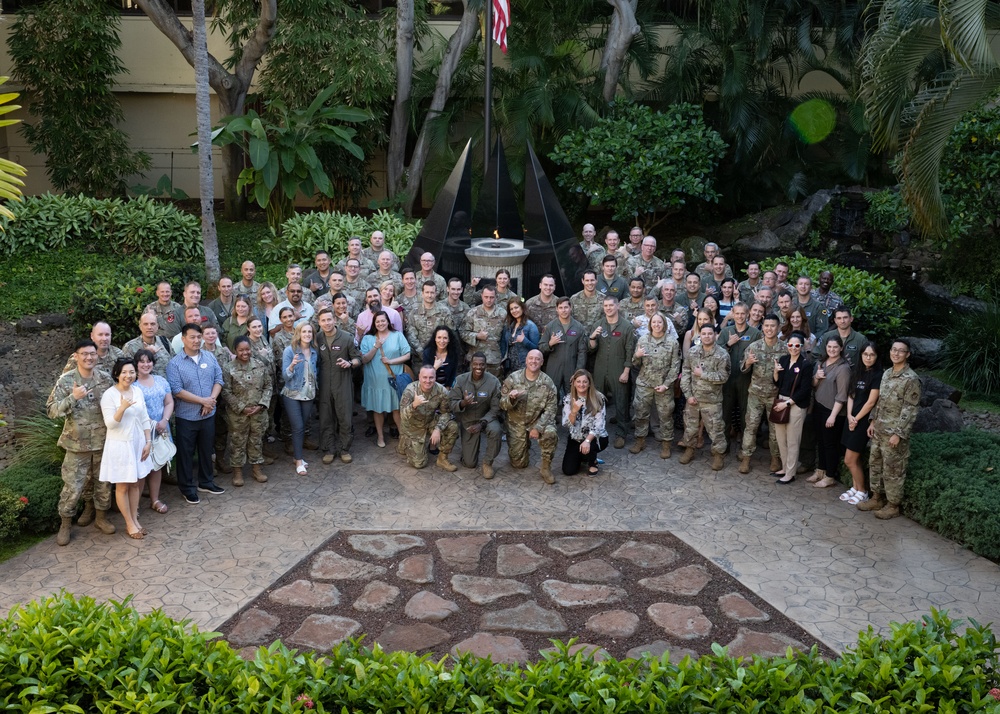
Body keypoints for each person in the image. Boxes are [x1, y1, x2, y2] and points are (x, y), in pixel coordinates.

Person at [47, 339, 117, 545]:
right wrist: (73, 398)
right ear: (76, 356)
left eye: (92, 354)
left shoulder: (105, 379)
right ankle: (66, 523)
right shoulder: (66, 381)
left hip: (103, 442)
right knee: (73, 486)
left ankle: (100, 518)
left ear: (97, 355)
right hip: (76, 445)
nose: (88, 357)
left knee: (103, 483)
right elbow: (51, 410)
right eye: (84, 354)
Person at [858, 339, 921, 519]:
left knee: (893, 470)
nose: (896, 353)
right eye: (894, 350)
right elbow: (879, 401)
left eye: (901, 351)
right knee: (875, 464)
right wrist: (872, 421)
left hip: (894, 434)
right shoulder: (886, 373)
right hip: (879, 430)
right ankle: (876, 497)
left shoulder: (911, 379)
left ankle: (893, 505)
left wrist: (898, 434)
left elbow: (910, 409)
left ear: (907, 354)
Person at [166, 323, 226, 504]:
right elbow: (177, 390)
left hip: (209, 414)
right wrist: (202, 401)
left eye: (198, 337)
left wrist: (211, 400)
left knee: (206, 450)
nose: (196, 340)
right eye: (192, 337)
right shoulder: (175, 363)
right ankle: (187, 488)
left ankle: (206, 482)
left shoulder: (209, 356)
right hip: (187, 416)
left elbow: (219, 379)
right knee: (186, 453)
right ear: (183, 339)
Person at [99, 357, 153, 539]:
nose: (128, 376)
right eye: (124, 372)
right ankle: (129, 523)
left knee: (136, 483)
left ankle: (136, 520)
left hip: (137, 442)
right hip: (120, 445)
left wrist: (148, 441)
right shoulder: (109, 395)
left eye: (131, 372)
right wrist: (122, 408)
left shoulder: (137, 391)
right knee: (122, 485)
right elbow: (110, 424)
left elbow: (144, 417)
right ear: (116, 374)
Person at [737, 314, 787, 474]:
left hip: (775, 396)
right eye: (766, 326)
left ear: (778, 327)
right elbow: (742, 368)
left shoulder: (785, 349)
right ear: (762, 327)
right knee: (750, 428)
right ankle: (746, 458)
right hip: (756, 395)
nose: (769, 329)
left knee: (775, 431)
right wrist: (748, 363)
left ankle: (775, 458)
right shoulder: (754, 347)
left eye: (773, 326)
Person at [501, 349, 559, 484]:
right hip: (517, 423)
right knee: (519, 463)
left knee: (550, 434)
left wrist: (538, 428)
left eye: (537, 359)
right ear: (526, 360)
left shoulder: (548, 383)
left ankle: (545, 467)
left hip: (537, 420)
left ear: (542, 362)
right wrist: (511, 399)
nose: (534, 361)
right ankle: (524, 443)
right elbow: (502, 404)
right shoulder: (513, 379)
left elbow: (551, 409)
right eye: (531, 358)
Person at [222, 336, 273, 486]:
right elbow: (225, 392)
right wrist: (241, 407)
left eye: (247, 349)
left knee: (256, 441)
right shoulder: (228, 368)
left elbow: (268, 386)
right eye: (241, 350)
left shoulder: (259, 364)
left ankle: (256, 468)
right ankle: (237, 472)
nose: (245, 352)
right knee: (237, 442)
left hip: (258, 413)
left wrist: (262, 404)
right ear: (235, 351)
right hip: (238, 415)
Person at [679, 324, 730, 469]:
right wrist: (688, 395)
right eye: (704, 333)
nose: (707, 336)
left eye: (710, 333)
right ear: (699, 335)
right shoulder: (692, 352)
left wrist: (703, 374)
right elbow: (686, 373)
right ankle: (690, 449)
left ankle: (718, 455)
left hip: (712, 400)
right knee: (690, 428)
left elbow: (724, 376)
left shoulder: (722, 354)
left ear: (715, 335)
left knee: (716, 430)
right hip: (693, 399)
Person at [588, 296, 636, 449]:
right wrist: (593, 337)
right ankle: (595, 431)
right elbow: (592, 348)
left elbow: (630, 351)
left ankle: (621, 433)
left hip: (619, 367)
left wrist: (626, 371)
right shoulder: (598, 325)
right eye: (605, 305)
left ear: (617, 306)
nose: (608, 308)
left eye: (611, 305)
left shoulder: (626, 326)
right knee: (597, 400)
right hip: (601, 367)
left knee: (621, 401)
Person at [631, 313, 681, 458]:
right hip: (644, 384)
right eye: (654, 322)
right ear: (650, 324)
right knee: (640, 413)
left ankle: (666, 445)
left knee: (665, 416)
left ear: (664, 325)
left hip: (663, 387)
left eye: (660, 322)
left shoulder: (672, 342)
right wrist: (637, 356)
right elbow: (635, 364)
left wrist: (666, 385)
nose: (657, 325)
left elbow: (675, 367)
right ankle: (640, 441)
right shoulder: (643, 340)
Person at [316, 308, 361, 465]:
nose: (327, 323)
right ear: (319, 322)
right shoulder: (317, 338)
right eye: (323, 320)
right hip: (324, 384)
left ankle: (344, 449)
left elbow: (358, 359)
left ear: (335, 320)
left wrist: (349, 363)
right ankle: (329, 449)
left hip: (342, 382)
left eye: (329, 319)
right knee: (326, 417)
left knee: (344, 416)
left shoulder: (347, 338)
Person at [360, 311, 410, 449]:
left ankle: (403, 436)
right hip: (375, 381)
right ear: (374, 324)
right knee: (378, 409)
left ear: (388, 321)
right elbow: (364, 359)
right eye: (378, 322)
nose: (381, 323)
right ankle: (380, 436)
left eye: (383, 321)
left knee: (396, 409)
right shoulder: (368, 338)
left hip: (393, 380)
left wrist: (391, 361)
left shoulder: (397, 335)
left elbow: (407, 355)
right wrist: (376, 347)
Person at [449, 353, 503, 479]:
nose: (478, 367)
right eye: (475, 364)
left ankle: (487, 463)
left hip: (487, 418)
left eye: (482, 364)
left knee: (496, 430)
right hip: (468, 419)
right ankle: (468, 451)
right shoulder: (460, 380)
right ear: (471, 365)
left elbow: (496, 408)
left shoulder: (494, 382)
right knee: (470, 463)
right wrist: (463, 403)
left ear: (486, 366)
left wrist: (482, 423)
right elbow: (451, 403)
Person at [841, 342, 882, 506]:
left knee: (849, 460)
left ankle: (863, 491)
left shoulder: (878, 375)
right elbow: (851, 395)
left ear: (877, 357)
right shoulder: (857, 371)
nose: (868, 357)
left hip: (863, 421)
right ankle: (855, 487)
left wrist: (856, 419)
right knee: (854, 458)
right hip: (851, 418)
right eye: (865, 354)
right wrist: (850, 415)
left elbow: (871, 402)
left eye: (872, 355)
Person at [134, 349, 173, 516]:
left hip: (161, 428)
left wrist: (164, 420)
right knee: (142, 468)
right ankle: (134, 505)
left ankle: (155, 499)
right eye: (142, 361)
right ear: (136, 364)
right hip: (142, 432)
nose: (145, 364)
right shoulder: (132, 386)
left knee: (157, 465)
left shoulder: (161, 381)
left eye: (148, 361)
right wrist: (149, 425)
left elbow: (169, 402)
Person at [809, 335, 851, 488]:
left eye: (835, 347)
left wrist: (833, 416)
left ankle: (830, 475)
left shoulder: (843, 368)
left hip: (833, 411)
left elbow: (842, 395)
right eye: (829, 347)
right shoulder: (821, 363)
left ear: (841, 348)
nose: (832, 350)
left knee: (830, 444)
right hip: (819, 407)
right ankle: (820, 470)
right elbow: (813, 385)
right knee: (820, 441)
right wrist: (816, 377)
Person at [770, 332, 813, 484]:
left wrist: (787, 403)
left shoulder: (805, 364)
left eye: (797, 346)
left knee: (793, 440)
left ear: (801, 347)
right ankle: (784, 467)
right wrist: (775, 372)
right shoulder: (783, 359)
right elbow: (778, 384)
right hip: (781, 400)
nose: (793, 348)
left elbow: (805, 390)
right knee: (781, 439)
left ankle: (790, 473)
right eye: (790, 345)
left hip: (794, 404)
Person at [399, 365, 460, 471]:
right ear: (419, 377)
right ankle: (405, 442)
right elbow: (403, 416)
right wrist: (414, 405)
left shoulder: (442, 391)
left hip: (430, 421)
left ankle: (442, 459)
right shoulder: (410, 390)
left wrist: (437, 429)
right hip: (413, 427)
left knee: (452, 427)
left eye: (431, 377)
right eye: (425, 377)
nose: (428, 381)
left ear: (435, 377)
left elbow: (446, 413)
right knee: (420, 463)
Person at [719, 302, 761, 440]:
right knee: (725, 413)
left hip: (746, 379)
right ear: (732, 314)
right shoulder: (726, 332)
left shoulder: (755, 334)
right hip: (728, 378)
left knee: (746, 414)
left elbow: (759, 358)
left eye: (743, 313)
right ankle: (723, 448)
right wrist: (728, 344)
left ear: (747, 314)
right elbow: (716, 354)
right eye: (737, 313)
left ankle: (745, 448)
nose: (740, 316)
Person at [280, 323, 318, 475]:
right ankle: (298, 460)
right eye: (304, 331)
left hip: (309, 393)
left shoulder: (314, 351)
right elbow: (285, 376)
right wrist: (291, 366)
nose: (307, 334)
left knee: (303, 426)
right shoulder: (290, 351)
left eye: (310, 331)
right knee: (297, 427)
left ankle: (298, 456)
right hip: (292, 393)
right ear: (298, 333)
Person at [561, 369, 609, 476]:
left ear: (589, 383)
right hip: (576, 437)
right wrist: (573, 412)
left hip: (595, 437)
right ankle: (583, 456)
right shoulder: (568, 399)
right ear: (573, 383)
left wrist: (587, 440)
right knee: (568, 470)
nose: (581, 385)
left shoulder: (598, 398)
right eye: (578, 381)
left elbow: (599, 424)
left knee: (590, 445)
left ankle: (593, 461)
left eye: (584, 382)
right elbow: (566, 423)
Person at [540, 297, 588, 401]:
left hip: (571, 366)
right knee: (551, 395)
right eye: (560, 307)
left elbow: (582, 352)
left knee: (573, 396)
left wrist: (578, 371)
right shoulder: (550, 326)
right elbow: (541, 348)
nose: (564, 310)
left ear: (570, 308)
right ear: (556, 309)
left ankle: (572, 416)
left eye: (566, 307)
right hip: (554, 366)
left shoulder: (578, 327)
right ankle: (553, 417)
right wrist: (550, 344)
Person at [461, 285, 506, 377]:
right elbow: (463, 333)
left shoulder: (503, 314)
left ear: (496, 297)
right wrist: (477, 336)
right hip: (475, 359)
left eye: (491, 297)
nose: (489, 300)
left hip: (495, 360)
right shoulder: (472, 312)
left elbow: (506, 337)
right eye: (486, 297)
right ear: (481, 296)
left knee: (494, 386)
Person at [405, 281, 451, 359]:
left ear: (436, 293)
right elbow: (411, 336)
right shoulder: (414, 312)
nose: (429, 295)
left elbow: (450, 334)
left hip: (440, 357)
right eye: (427, 292)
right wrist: (423, 354)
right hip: (419, 359)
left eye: (432, 292)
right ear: (422, 293)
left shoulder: (444, 311)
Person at [122, 311, 173, 377]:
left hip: (166, 385)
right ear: (140, 326)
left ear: (157, 326)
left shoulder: (165, 342)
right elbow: (128, 373)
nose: (149, 327)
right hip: (142, 386)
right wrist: (147, 355)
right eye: (145, 324)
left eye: (152, 324)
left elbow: (174, 365)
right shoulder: (130, 347)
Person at [501, 298, 539, 375]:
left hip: (524, 366)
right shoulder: (509, 326)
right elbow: (504, 346)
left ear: (522, 308)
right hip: (510, 367)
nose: (514, 311)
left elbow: (537, 348)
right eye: (511, 309)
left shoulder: (530, 326)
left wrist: (524, 340)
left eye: (516, 307)